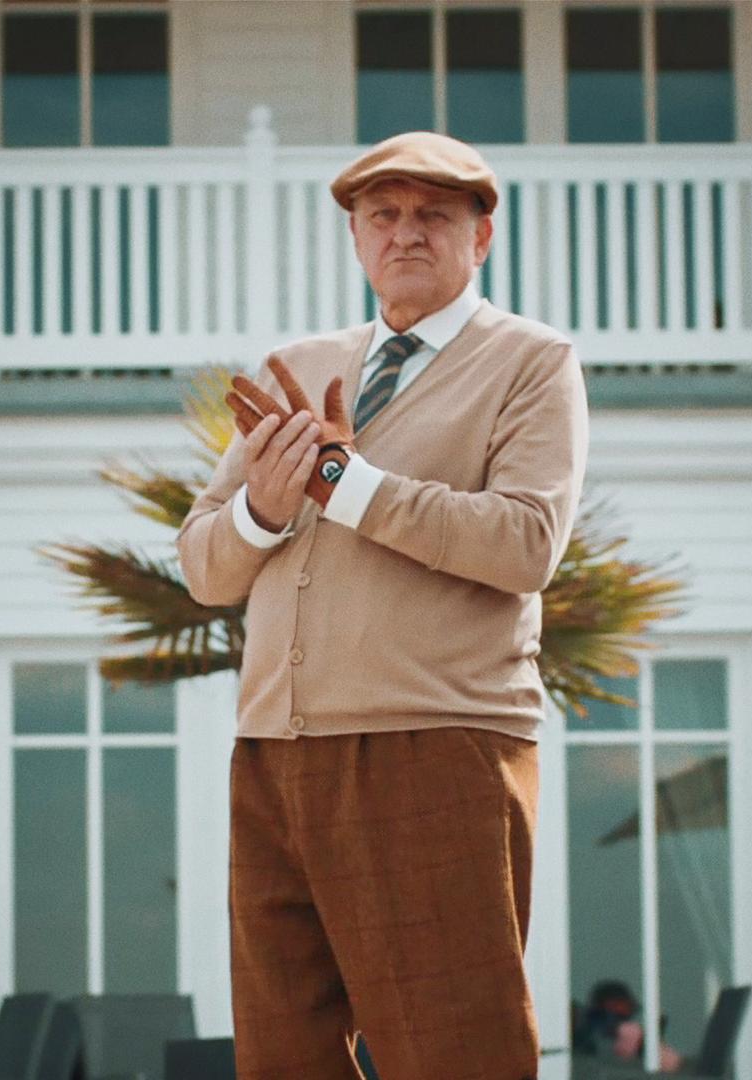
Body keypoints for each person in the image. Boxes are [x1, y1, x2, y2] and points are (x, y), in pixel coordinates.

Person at [177, 131, 589, 1079]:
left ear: (481, 238)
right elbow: (205, 566)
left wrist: (344, 484)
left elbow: (526, 542)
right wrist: (265, 508)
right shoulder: (297, 364)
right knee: (284, 1057)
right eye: (383, 216)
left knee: (455, 1053)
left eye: (433, 215)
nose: (406, 233)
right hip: (273, 754)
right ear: (358, 240)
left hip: (437, 745)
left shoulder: (530, 362)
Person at [572, 980, 684, 1072]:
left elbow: (671, 1064)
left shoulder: (631, 1035)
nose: (624, 1014)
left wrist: (644, 1045)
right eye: (614, 1007)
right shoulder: (584, 1033)